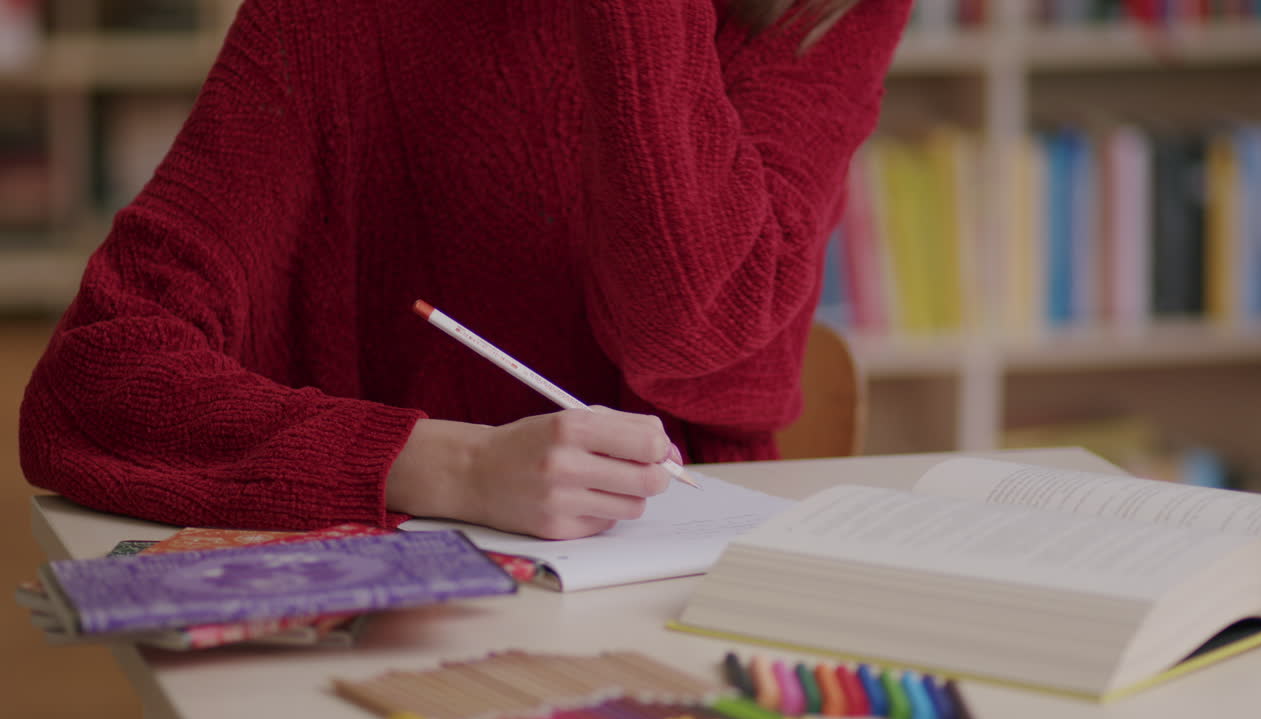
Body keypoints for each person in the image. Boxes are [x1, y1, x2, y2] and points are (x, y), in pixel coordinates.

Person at [19, 0, 910, 540]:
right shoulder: (341, 21)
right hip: (409, 610)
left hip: (685, 598)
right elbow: (90, 384)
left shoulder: (829, 13)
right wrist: (454, 470)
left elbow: (689, 328)